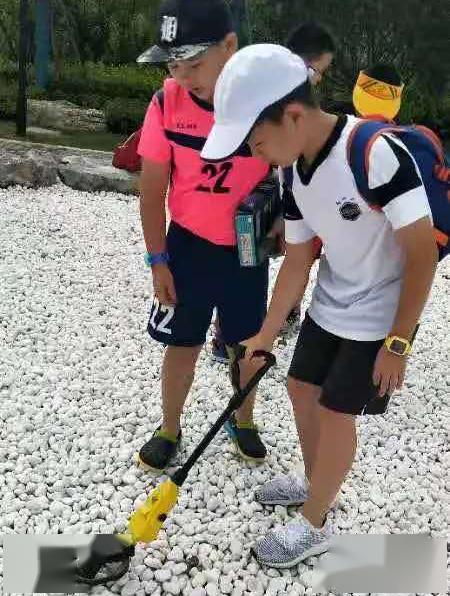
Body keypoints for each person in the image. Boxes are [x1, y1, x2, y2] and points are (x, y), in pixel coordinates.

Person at [202, 44, 438, 567]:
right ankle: (316, 485)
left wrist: (398, 343)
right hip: (332, 298)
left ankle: (315, 522)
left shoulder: (373, 153)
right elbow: (297, 259)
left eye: (257, 143)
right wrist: (265, 333)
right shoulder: (291, 170)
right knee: (300, 387)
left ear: (292, 116)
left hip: (381, 314)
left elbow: (423, 254)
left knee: (336, 413)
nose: (256, 157)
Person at [135, 0, 271, 473]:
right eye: (173, 64)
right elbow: (152, 191)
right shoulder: (165, 103)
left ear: (230, 46)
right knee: (181, 344)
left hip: (247, 249)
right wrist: (158, 260)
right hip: (188, 246)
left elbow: (289, 171)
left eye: (193, 64)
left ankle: (243, 419)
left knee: (246, 344)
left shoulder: (265, 104)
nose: (182, 76)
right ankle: (169, 427)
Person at [211, 21, 336, 363]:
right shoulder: (269, 107)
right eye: (316, 72)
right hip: (256, 203)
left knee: (259, 261)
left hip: (269, 201)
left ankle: (254, 332)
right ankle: (230, 336)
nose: (317, 81)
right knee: (246, 261)